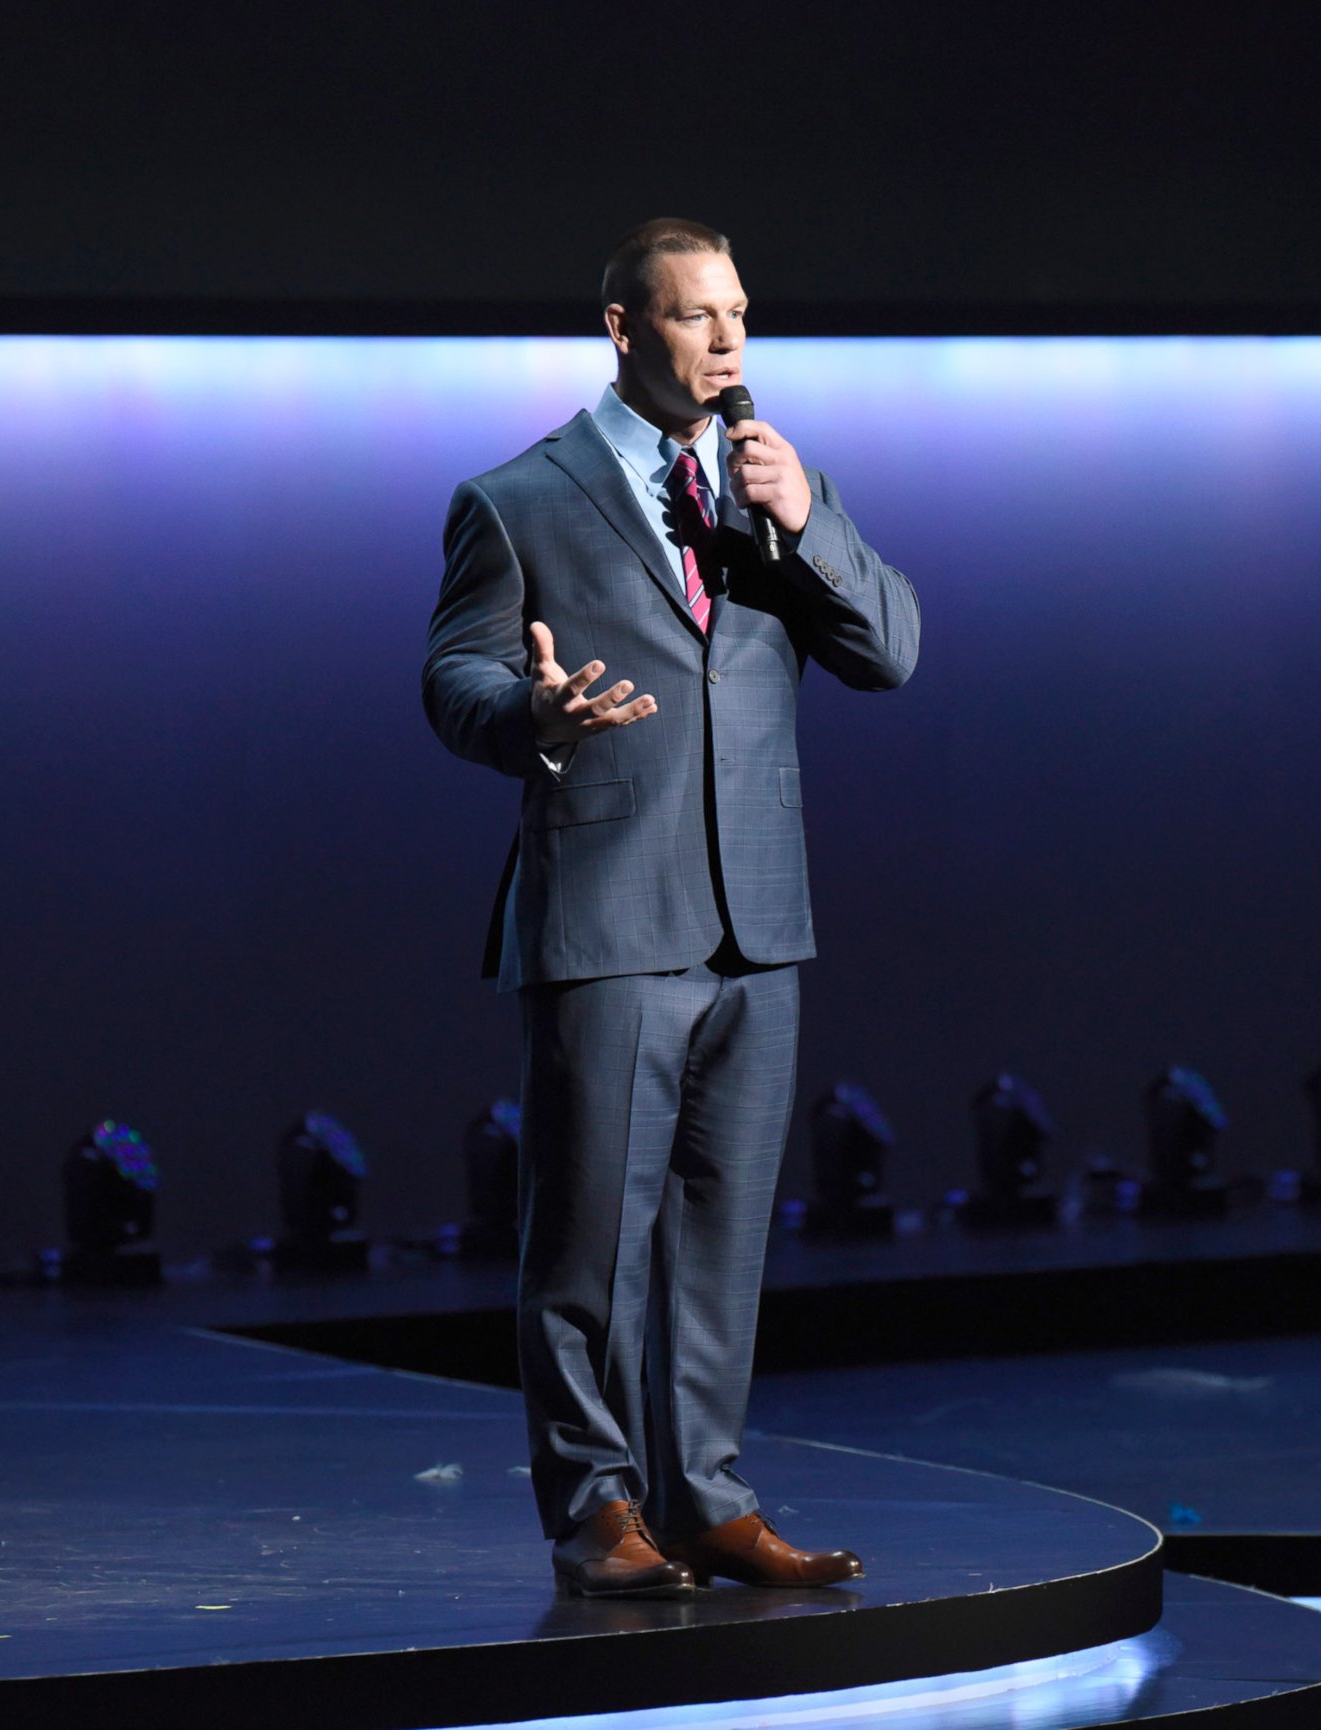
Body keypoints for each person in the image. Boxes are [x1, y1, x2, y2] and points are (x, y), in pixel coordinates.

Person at [422, 218, 920, 1598]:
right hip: (609, 909)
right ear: (625, 328)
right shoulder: (516, 498)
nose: (729, 341)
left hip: (758, 922)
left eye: (742, 314)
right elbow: (452, 676)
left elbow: (892, 650)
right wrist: (530, 711)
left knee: (721, 1236)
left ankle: (706, 1496)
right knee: (585, 1236)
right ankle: (595, 1504)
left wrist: (809, 523)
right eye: (698, 315)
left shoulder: (778, 485)